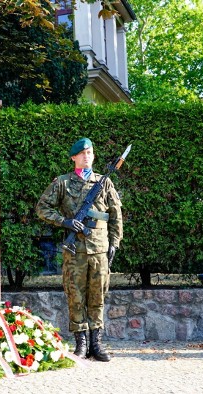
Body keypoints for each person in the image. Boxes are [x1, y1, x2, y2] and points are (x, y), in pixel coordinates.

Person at [36, 138, 123, 362]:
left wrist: (114, 243)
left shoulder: (103, 183)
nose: (87, 156)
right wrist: (64, 222)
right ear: (74, 157)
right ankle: (81, 343)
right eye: (82, 153)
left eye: (90, 152)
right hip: (75, 250)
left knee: (98, 296)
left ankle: (97, 342)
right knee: (75, 296)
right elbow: (42, 208)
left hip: (100, 249)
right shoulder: (63, 183)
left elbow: (115, 215)